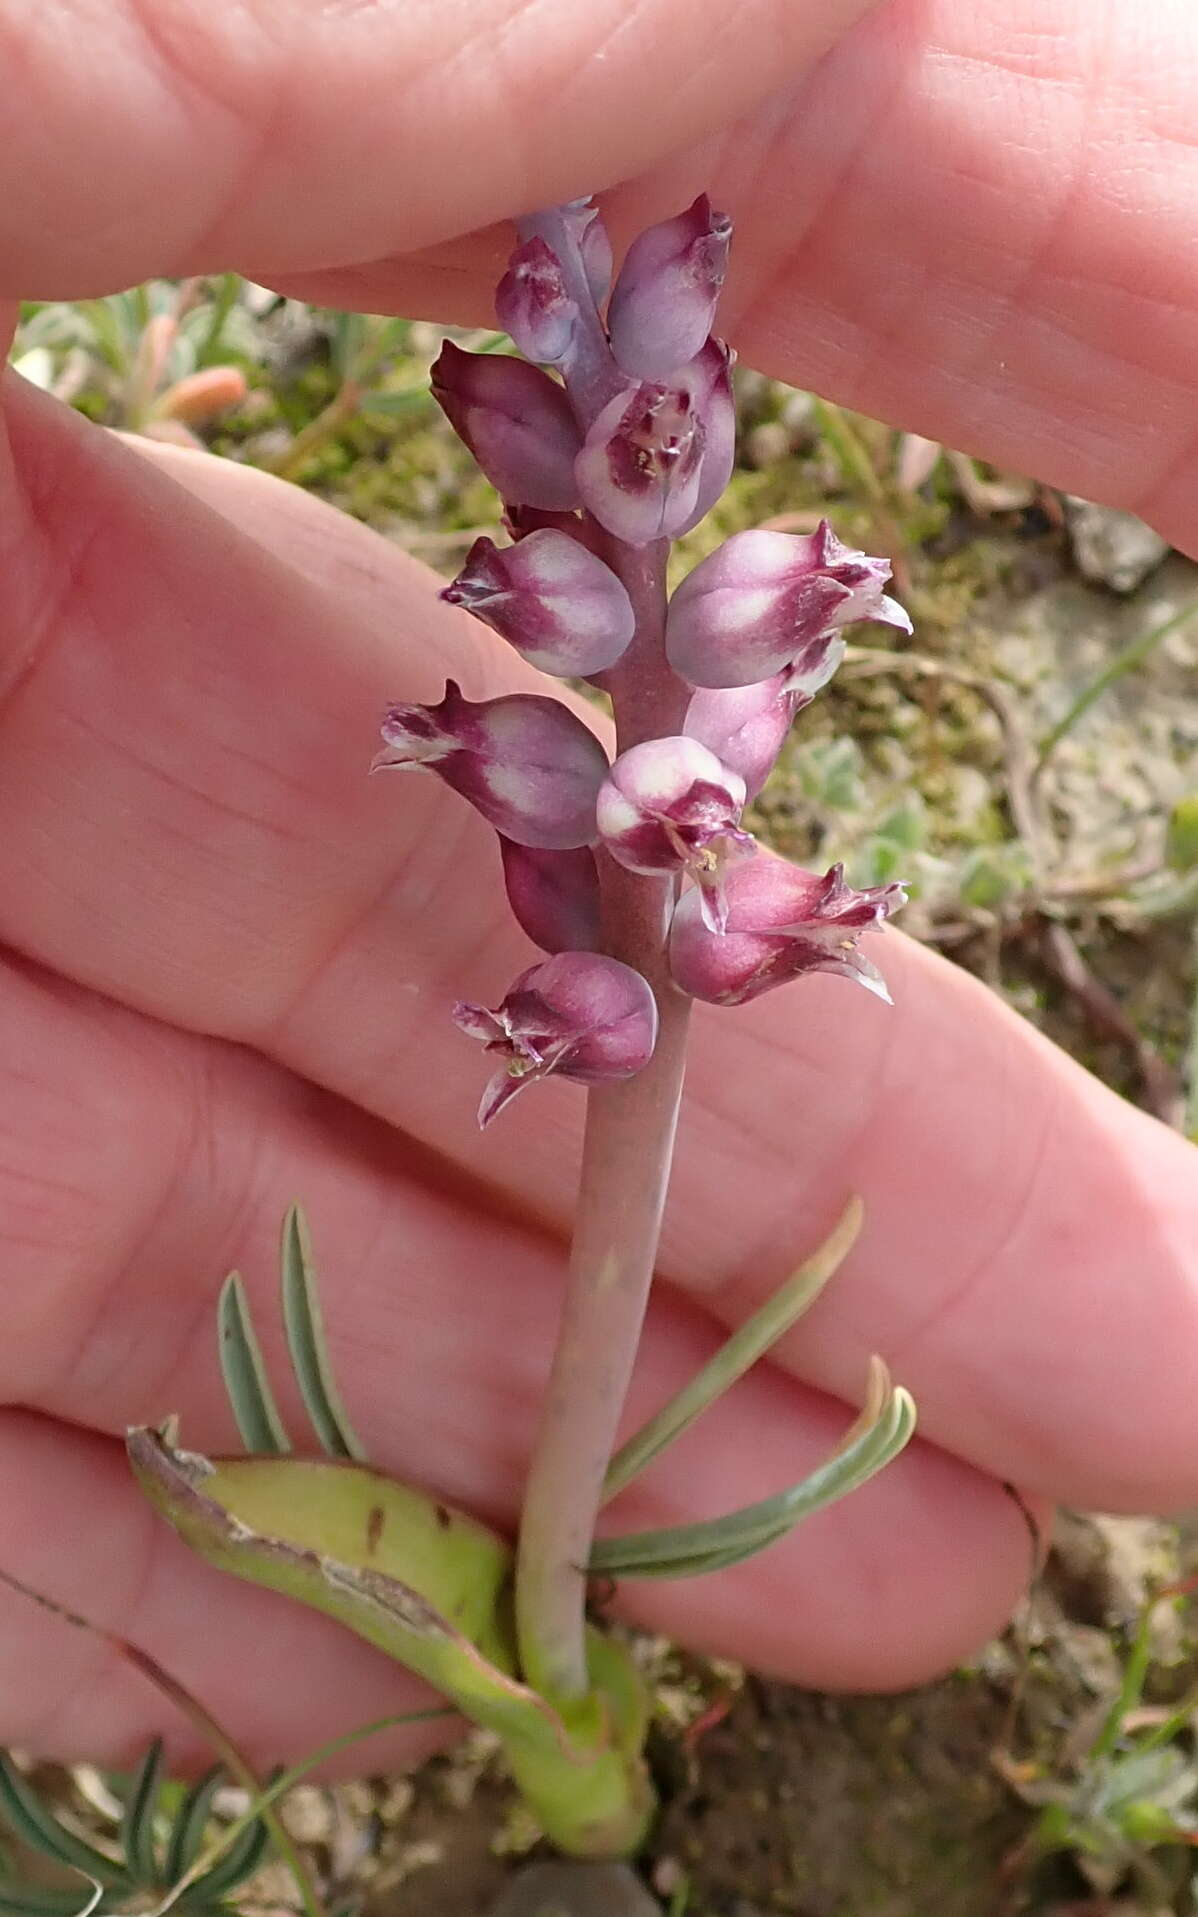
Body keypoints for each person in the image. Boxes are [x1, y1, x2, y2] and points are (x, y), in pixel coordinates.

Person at [0, 0, 1195, 1770]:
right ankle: (544, 1668)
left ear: (685, 427)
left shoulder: (679, 709)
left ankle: (563, 1670)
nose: (648, 456)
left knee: (641, 924)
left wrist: (711, 782)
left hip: (654, 796)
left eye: (658, 446)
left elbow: (666, 762)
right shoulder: (613, 683)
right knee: (605, 958)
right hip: (613, 822)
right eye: (642, 450)